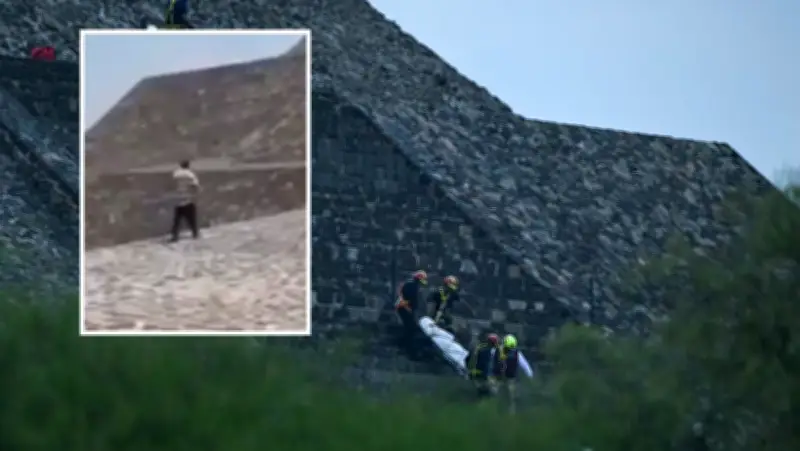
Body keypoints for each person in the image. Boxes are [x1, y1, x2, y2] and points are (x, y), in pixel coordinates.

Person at [394, 270, 428, 355]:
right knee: (410, 327)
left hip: (403, 307)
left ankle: (403, 344)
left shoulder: (411, 284)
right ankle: (406, 347)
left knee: (409, 327)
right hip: (404, 307)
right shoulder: (412, 285)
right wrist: (413, 309)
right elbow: (412, 299)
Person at [171, 160, 201, 242]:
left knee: (177, 219)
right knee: (192, 217)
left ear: (180, 165)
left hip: (178, 199)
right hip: (188, 198)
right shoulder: (190, 174)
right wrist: (196, 195)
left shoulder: (175, 174)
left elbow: (171, 186)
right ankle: (195, 233)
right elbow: (195, 186)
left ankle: (175, 235)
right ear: (188, 166)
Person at [493, 334, 521, 413]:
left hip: (510, 377)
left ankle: (510, 415)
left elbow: (521, 363)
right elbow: (493, 363)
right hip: (499, 377)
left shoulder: (515, 352)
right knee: (496, 395)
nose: (510, 351)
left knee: (511, 398)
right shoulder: (498, 350)